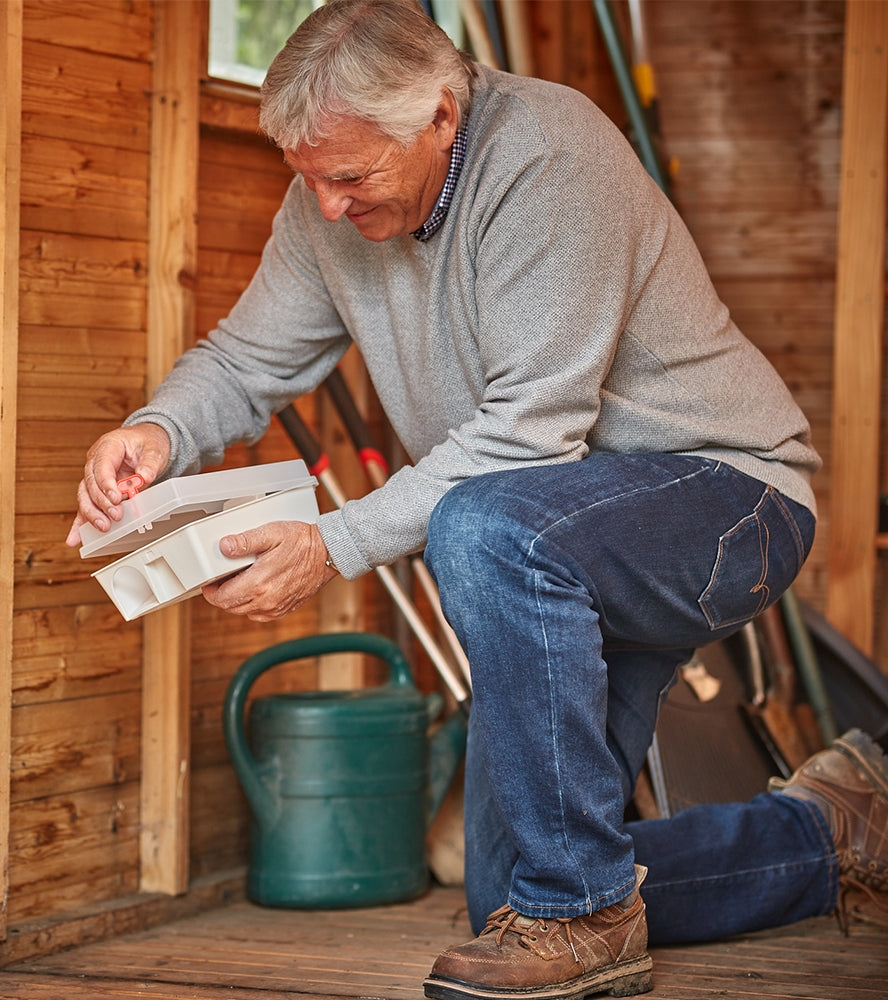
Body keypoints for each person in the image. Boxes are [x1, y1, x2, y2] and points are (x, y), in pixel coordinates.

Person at [67, 2, 888, 997]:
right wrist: (156, 431)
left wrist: (332, 544)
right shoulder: (329, 203)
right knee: (509, 885)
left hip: (724, 495)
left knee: (485, 523)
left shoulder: (548, 155)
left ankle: (582, 915)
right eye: (307, 179)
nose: (324, 207)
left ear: (441, 120)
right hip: (563, 531)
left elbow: (529, 436)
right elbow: (246, 358)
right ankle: (831, 829)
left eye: (349, 179)